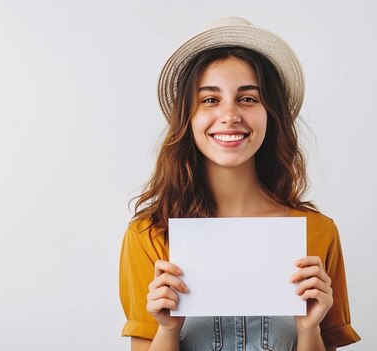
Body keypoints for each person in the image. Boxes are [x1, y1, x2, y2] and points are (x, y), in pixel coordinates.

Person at [119, 17, 360, 351]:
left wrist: (308, 331)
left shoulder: (318, 233)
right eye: (210, 99)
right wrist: (168, 330)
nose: (230, 115)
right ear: (187, 118)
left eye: (248, 99)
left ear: (270, 114)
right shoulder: (150, 235)